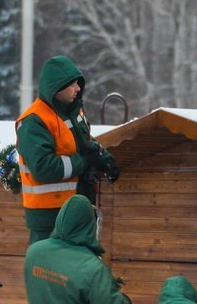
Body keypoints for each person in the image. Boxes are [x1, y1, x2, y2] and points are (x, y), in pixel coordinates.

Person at [16, 55, 120, 244]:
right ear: (56, 87)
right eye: (72, 84)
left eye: (78, 83)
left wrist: (103, 158)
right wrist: (84, 162)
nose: (78, 88)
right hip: (49, 219)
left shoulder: (72, 112)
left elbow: (84, 142)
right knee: (48, 263)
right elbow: (43, 167)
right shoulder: (33, 121)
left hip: (77, 211)